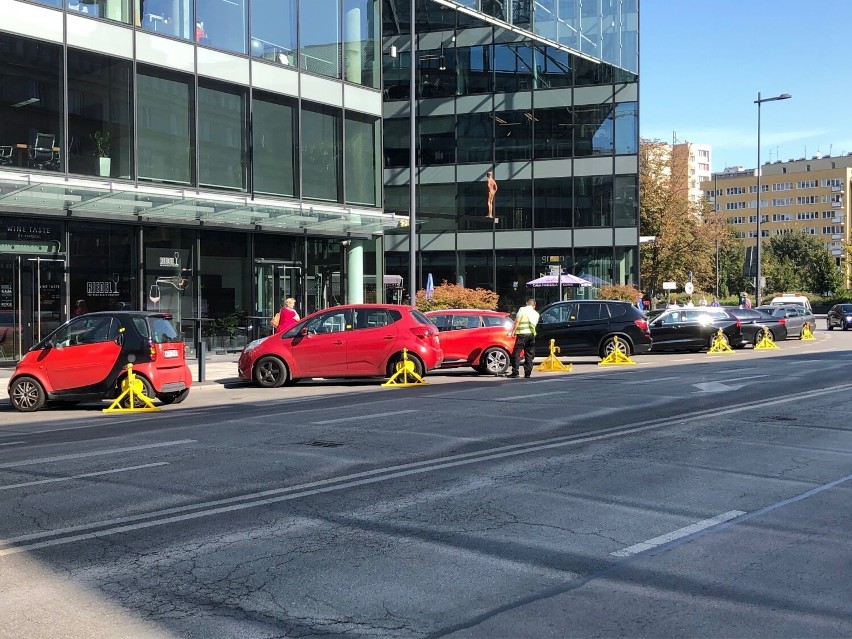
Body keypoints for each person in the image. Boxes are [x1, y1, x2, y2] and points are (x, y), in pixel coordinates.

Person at [506, 299, 539, 379]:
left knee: (516, 353)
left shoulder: (522, 309)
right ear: (534, 306)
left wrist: (513, 331)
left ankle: (515, 372)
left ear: (526, 303)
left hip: (522, 335)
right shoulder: (536, 313)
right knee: (529, 355)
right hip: (531, 335)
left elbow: (517, 320)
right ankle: (527, 373)